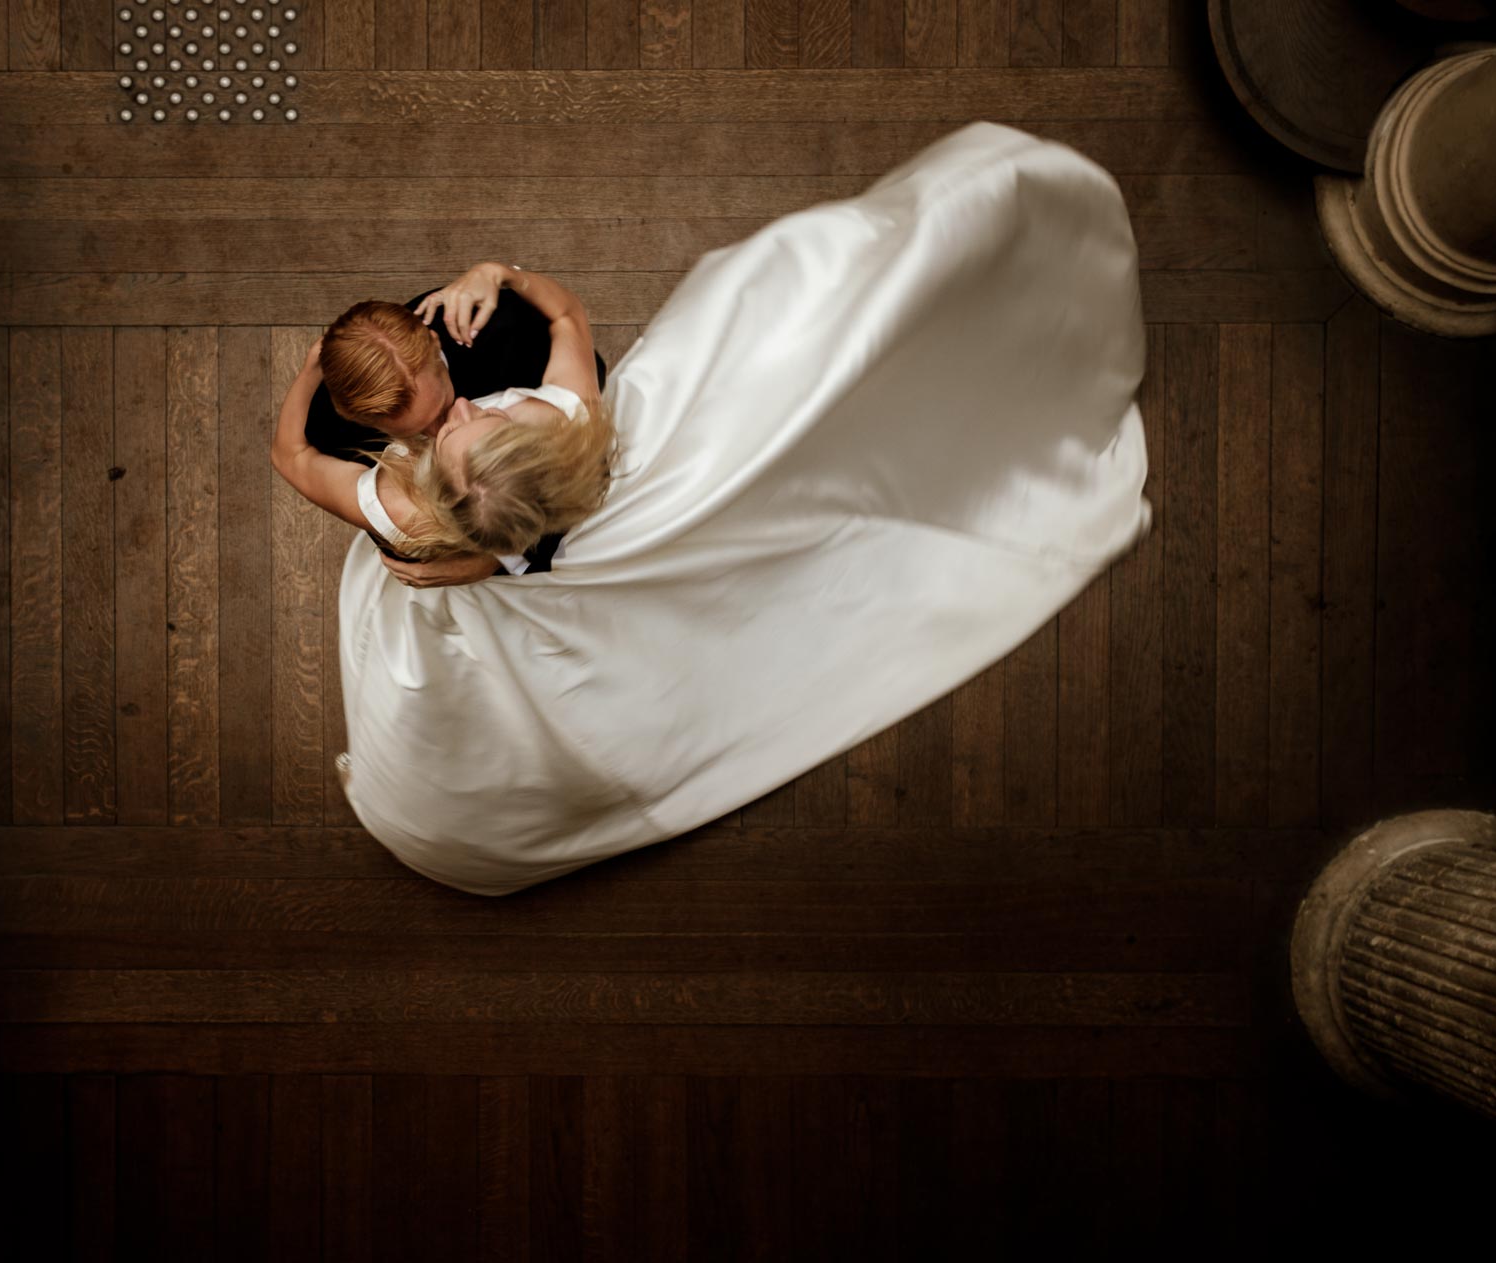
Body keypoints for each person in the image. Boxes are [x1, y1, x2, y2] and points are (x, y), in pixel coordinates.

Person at [326, 123, 1155, 896]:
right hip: (607, 486)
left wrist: (470, 554)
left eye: (466, 420)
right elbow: (566, 314)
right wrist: (498, 273)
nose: (465, 412)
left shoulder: (441, 526)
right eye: (479, 421)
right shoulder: (573, 413)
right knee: (791, 316)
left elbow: (300, 460)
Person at [276, 276, 610, 586]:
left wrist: (494, 558)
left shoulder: (505, 329)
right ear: (359, 419)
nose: (460, 406)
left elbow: (569, 473)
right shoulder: (330, 433)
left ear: (436, 344)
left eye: (442, 408)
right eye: (421, 430)